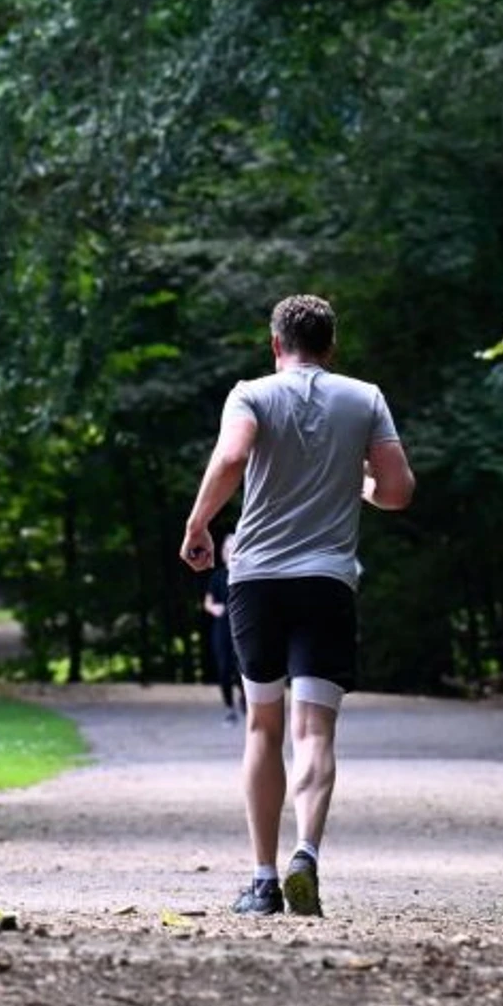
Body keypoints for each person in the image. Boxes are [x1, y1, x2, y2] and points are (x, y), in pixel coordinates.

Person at [180, 294, 414, 917]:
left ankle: (262, 882)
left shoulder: (250, 394)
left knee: (264, 724)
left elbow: (233, 456)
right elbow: (397, 491)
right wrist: (357, 482)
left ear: (275, 344)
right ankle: (305, 854)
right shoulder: (364, 398)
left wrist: (199, 524)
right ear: (331, 346)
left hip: (257, 580)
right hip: (327, 581)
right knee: (315, 730)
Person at [202, 533, 242, 723]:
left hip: (243, 629)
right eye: (227, 548)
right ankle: (229, 708)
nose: (230, 551)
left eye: (234, 547)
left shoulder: (246, 576)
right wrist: (214, 608)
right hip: (222, 628)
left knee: (243, 668)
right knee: (224, 669)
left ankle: (245, 699)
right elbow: (207, 603)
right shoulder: (217, 576)